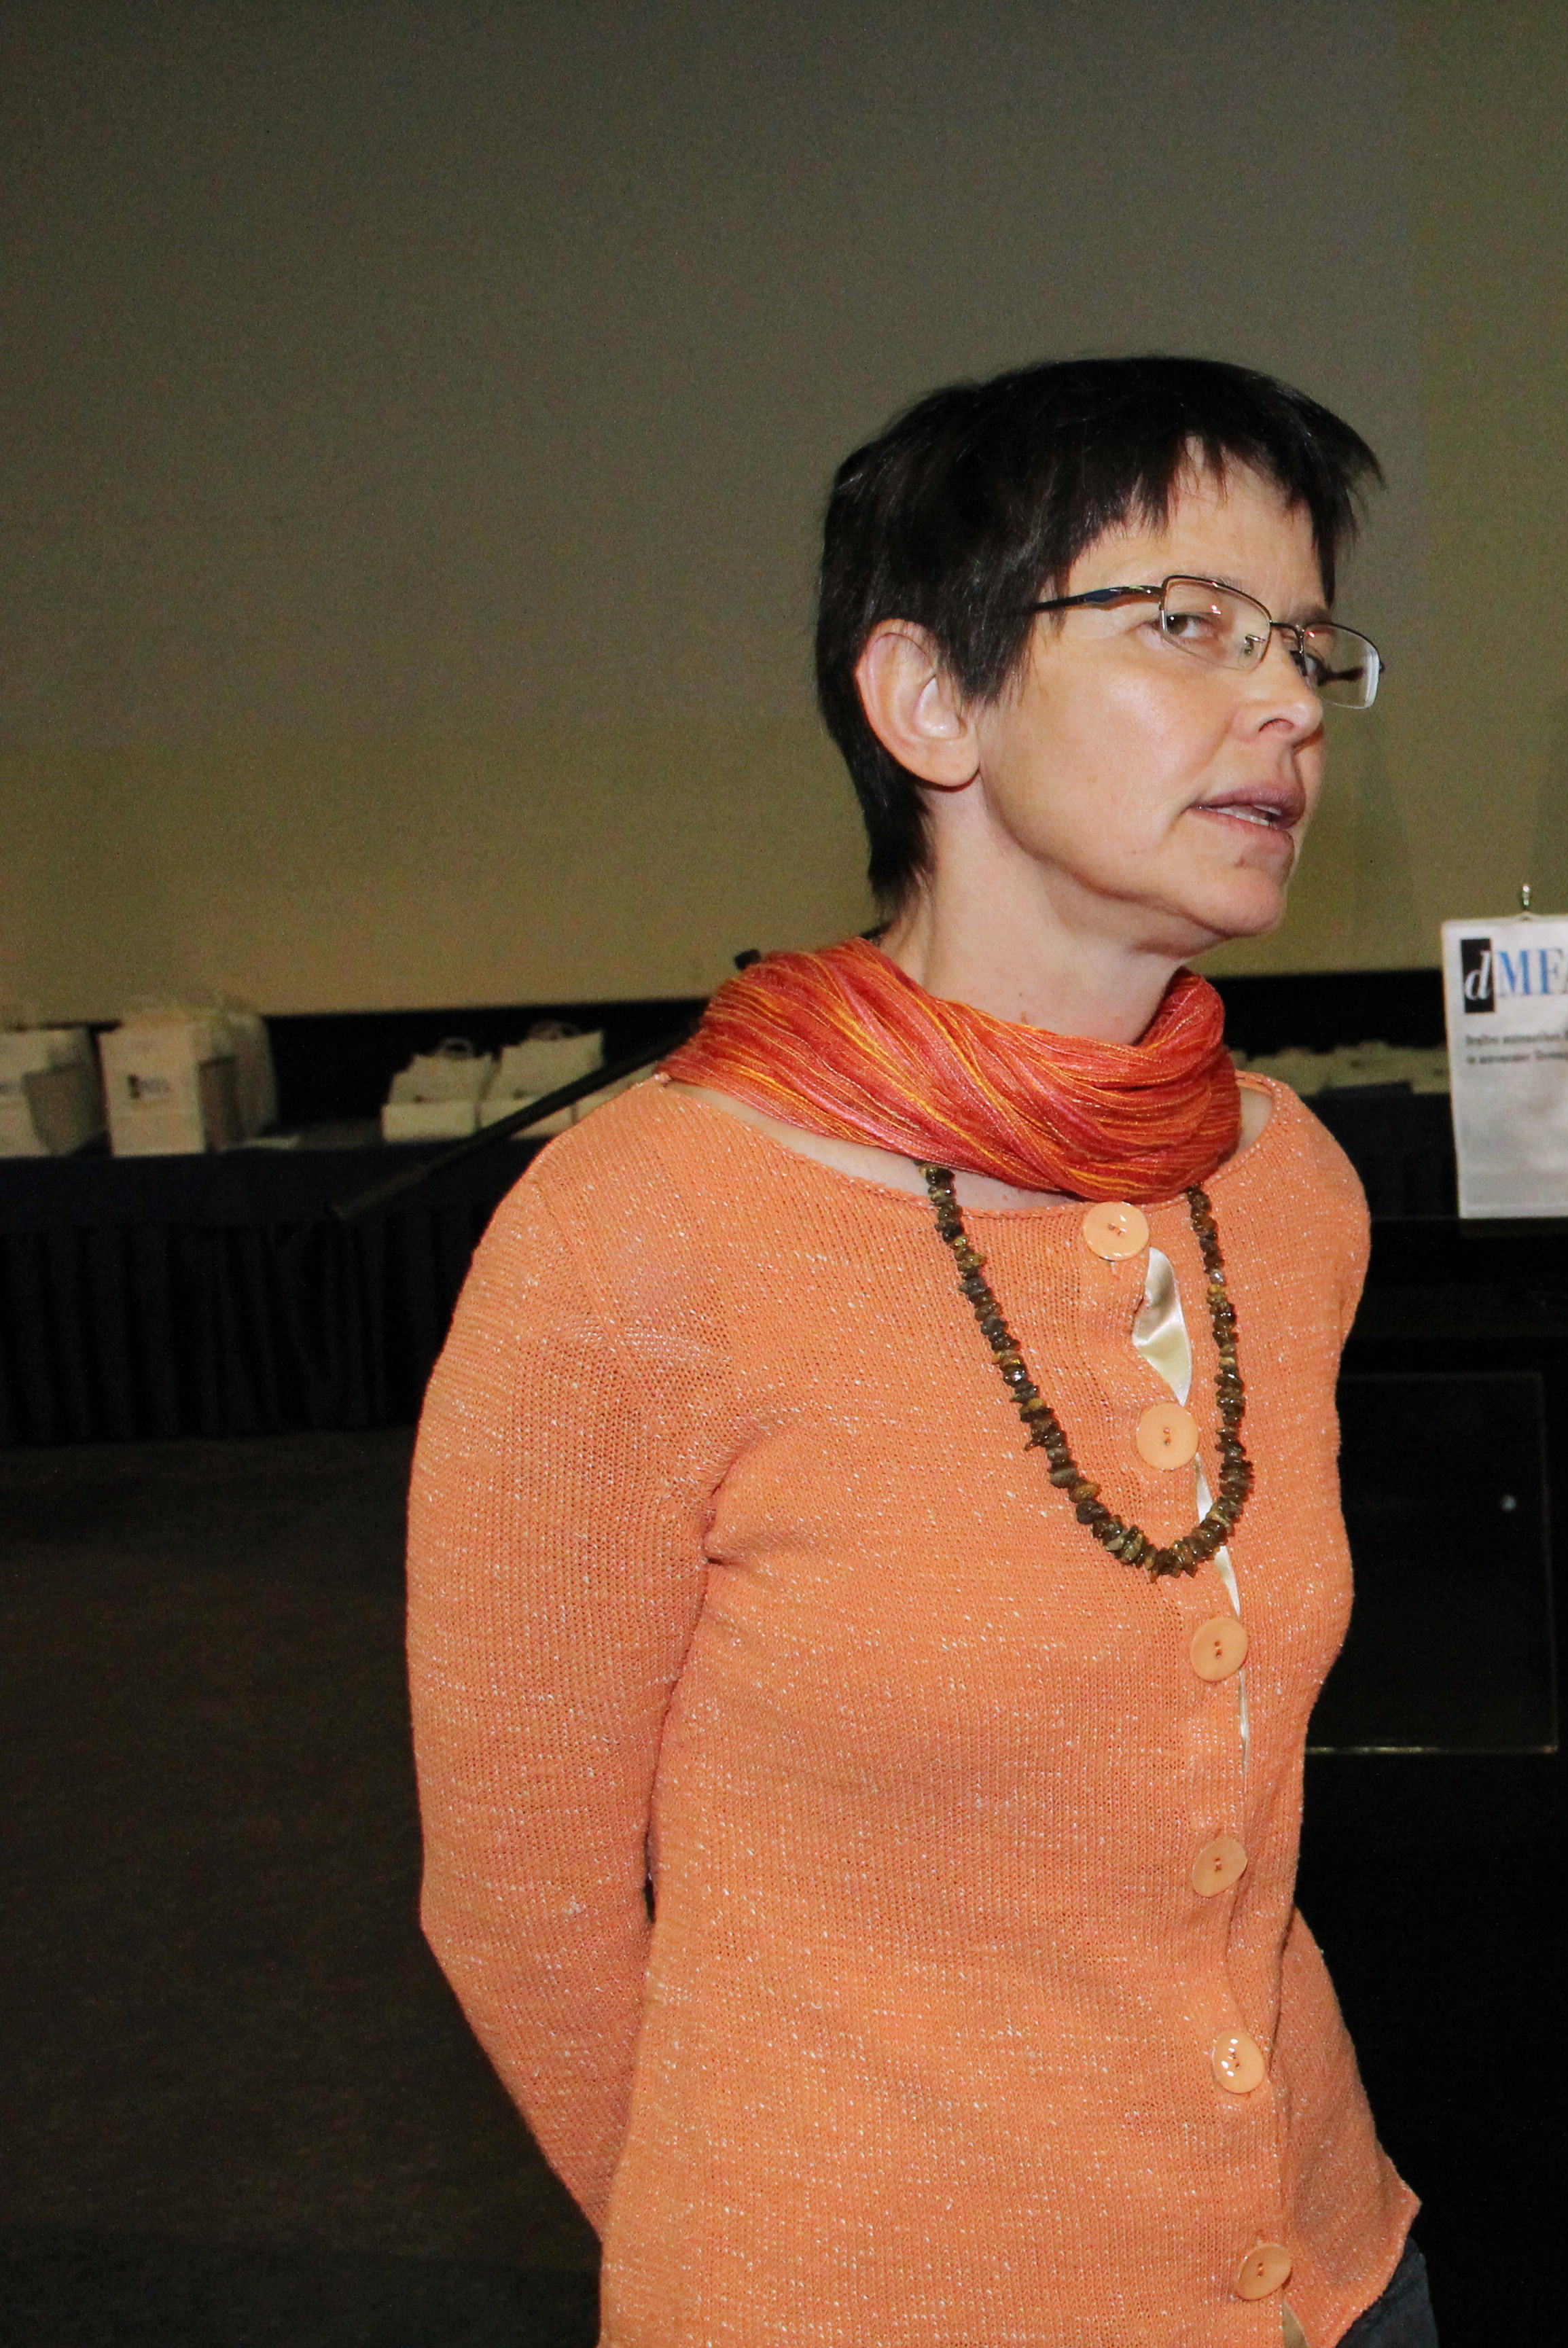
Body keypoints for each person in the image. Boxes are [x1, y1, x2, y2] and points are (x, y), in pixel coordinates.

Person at [410, 357, 1436, 2347]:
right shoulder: (641, 1230)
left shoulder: (1287, 1187)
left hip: (1329, 2272)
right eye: (1190, 625)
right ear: (927, 699)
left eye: (1308, 643)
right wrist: (769, 2261)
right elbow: (521, 1908)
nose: (1292, 704)